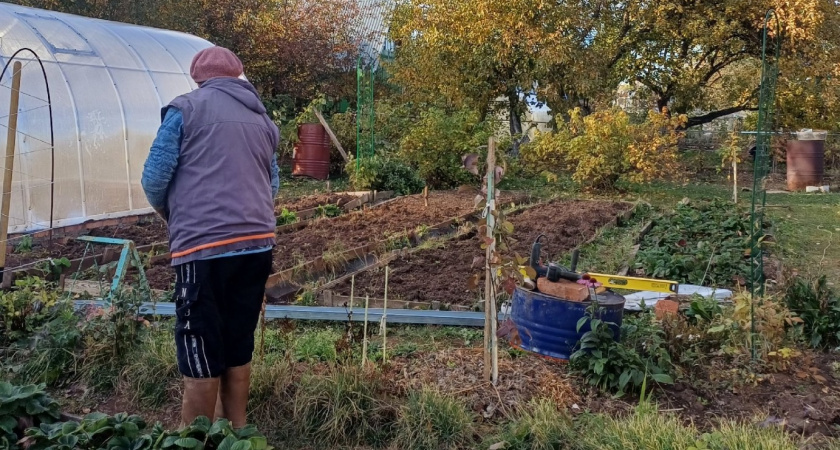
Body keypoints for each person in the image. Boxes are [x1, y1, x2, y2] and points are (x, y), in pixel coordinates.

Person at [141, 46, 280, 428]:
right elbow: (272, 185)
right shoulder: (263, 119)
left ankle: (193, 440)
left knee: (199, 350)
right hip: (257, 245)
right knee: (238, 344)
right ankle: (236, 433)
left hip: (203, 249)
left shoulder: (185, 109)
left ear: (198, 78)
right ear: (238, 75)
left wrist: (174, 214)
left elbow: (154, 178)